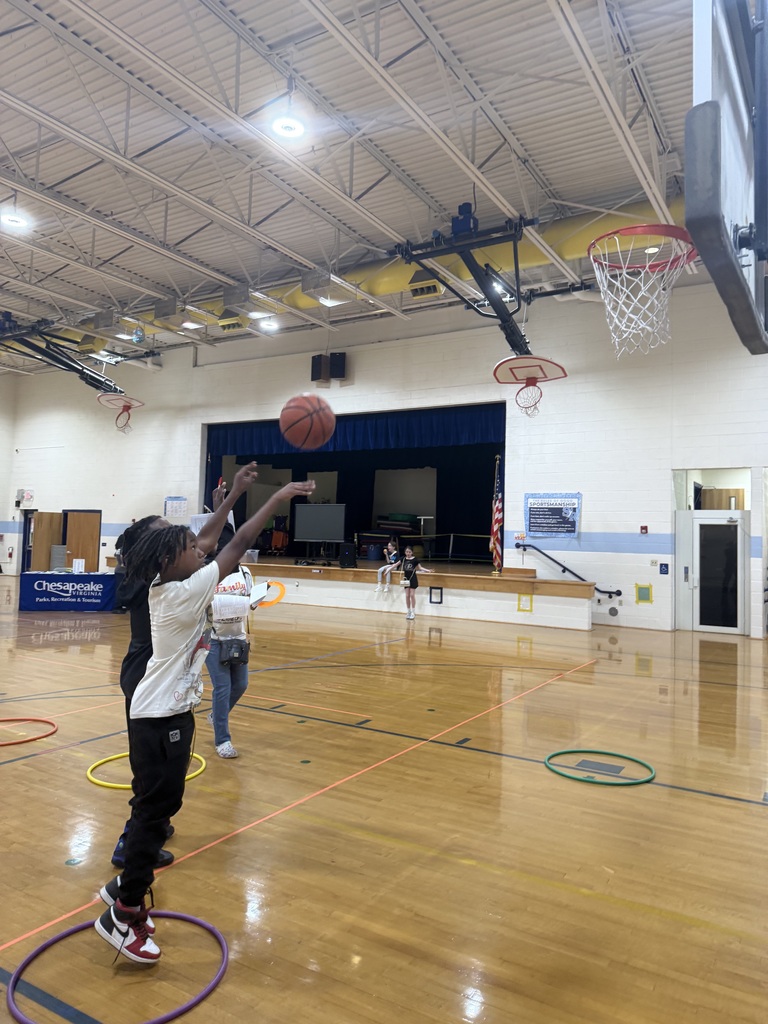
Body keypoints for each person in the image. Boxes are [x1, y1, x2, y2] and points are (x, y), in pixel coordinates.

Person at [95, 477, 316, 963]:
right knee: (156, 809)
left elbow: (210, 543)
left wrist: (232, 498)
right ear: (164, 561)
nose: (197, 551)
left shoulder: (164, 580)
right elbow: (234, 544)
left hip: (164, 708)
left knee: (159, 806)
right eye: (186, 549)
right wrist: (276, 500)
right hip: (160, 714)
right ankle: (125, 910)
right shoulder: (183, 593)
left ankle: (122, 888)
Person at [109, 464, 259, 871]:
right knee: (151, 775)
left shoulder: (157, 568)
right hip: (146, 673)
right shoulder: (157, 579)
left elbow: (205, 541)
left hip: (152, 671)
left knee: (157, 774)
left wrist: (229, 498)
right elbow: (214, 544)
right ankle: (132, 840)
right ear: (157, 550)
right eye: (169, 532)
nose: (188, 542)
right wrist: (240, 502)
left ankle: (149, 824)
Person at [205, 554, 269, 758]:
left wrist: (258, 598)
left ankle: (217, 715)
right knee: (222, 688)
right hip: (213, 638)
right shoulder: (208, 574)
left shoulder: (244, 572)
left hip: (238, 638)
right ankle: (222, 740)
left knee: (241, 684)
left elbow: (251, 604)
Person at [399, 545, 434, 620]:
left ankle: (413, 612)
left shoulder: (415, 559)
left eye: (409, 552)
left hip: (413, 578)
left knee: (412, 595)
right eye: (406, 552)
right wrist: (388, 569)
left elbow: (420, 568)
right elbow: (395, 565)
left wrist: (428, 570)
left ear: (412, 552)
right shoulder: (403, 559)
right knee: (407, 595)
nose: (408, 553)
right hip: (406, 579)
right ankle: (408, 611)